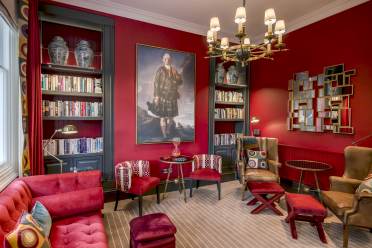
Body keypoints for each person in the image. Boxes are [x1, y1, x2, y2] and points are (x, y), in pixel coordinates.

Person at [147, 53, 183, 139]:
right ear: (163, 60)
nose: (168, 60)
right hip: (162, 96)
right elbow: (156, 83)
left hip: (172, 96)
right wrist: (156, 96)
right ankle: (164, 135)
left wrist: (178, 77)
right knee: (162, 117)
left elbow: (180, 82)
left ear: (171, 60)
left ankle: (168, 130)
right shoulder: (160, 70)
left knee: (171, 117)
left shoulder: (174, 70)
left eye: (169, 58)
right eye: (166, 58)